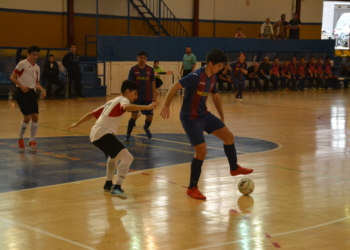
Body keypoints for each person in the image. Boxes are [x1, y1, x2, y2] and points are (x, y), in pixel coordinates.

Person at [160, 49, 253, 200]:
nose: (221, 68)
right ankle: (192, 188)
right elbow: (173, 87)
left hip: (204, 115)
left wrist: (222, 117)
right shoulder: (196, 76)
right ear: (210, 64)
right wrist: (166, 105)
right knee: (201, 151)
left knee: (229, 137)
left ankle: (234, 168)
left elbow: (215, 97)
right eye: (219, 65)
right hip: (190, 117)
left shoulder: (213, 78)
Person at [67, 80, 158, 199]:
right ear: (127, 91)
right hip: (103, 133)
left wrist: (77, 123)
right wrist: (146, 107)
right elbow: (126, 107)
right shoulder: (123, 100)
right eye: (134, 94)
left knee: (114, 157)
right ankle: (117, 187)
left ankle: (108, 184)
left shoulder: (111, 102)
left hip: (95, 134)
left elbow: (91, 114)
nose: (135, 97)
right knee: (128, 157)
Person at [10, 46, 46, 150]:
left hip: (32, 93)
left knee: (35, 117)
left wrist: (43, 90)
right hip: (21, 93)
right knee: (27, 117)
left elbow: (37, 83)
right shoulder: (22, 64)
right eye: (33, 54)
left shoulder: (37, 68)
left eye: (37, 55)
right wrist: (21, 86)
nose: (35, 56)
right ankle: (20, 138)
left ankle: (32, 140)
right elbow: (12, 76)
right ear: (29, 54)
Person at [125, 51, 157, 142]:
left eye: (144, 58)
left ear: (146, 59)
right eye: (140, 58)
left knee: (150, 118)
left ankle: (146, 128)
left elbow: (153, 83)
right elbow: (130, 84)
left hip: (147, 98)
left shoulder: (150, 70)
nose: (142, 60)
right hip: (136, 98)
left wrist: (154, 96)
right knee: (133, 117)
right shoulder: (133, 70)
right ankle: (128, 134)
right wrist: (130, 98)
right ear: (137, 58)